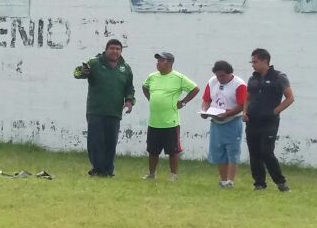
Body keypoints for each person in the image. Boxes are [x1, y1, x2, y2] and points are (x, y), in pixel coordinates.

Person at [73, 38, 135, 177]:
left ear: (121, 52)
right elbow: (77, 73)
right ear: (106, 50)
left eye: (118, 49)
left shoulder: (126, 68)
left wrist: (129, 101)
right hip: (95, 110)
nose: (115, 51)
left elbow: (129, 88)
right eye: (112, 48)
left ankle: (108, 170)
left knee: (111, 142)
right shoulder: (94, 62)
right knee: (95, 142)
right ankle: (98, 169)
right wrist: (84, 72)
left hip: (114, 111)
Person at [243, 48, 295, 192]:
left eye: (255, 61)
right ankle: (259, 183)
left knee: (266, 152)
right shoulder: (253, 78)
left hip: (269, 122)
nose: (252, 65)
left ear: (265, 61)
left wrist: (275, 111)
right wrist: (244, 112)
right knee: (254, 152)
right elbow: (247, 98)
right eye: (251, 62)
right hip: (252, 120)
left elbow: (290, 98)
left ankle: (281, 183)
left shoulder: (279, 77)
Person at [141, 51, 198, 181]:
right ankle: (151, 174)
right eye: (158, 60)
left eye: (162, 60)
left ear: (170, 63)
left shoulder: (178, 77)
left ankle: (173, 174)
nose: (158, 63)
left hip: (170, 122)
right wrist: (151, 98)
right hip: (154, 121)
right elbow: (144, 87)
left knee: (173, 150)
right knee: (152, 150)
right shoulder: (152, 77)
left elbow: (195, 89)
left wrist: (183, 102)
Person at [200, 60, 247, 188]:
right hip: (216, 122)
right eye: (217, 75)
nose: (219, 78)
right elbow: (206, 99)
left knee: (232, 151)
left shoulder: (239, 84)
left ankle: (230, 181)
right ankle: (223, 179)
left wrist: (227, 114)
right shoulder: (212, 81)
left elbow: (242, 105)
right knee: (218, 151)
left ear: (229, 73)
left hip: (232, 122)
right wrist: (204, 110)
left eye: (222, 76)